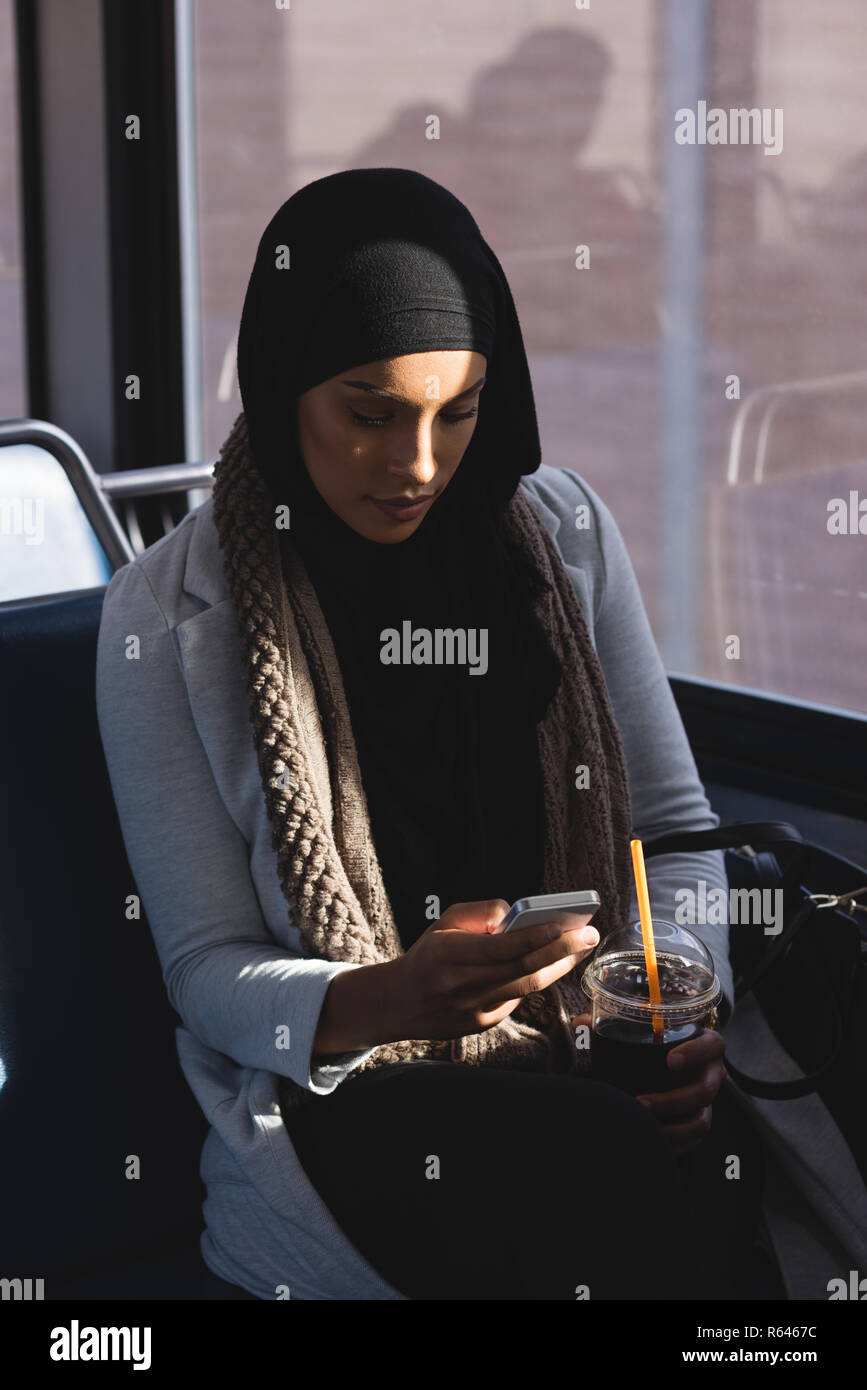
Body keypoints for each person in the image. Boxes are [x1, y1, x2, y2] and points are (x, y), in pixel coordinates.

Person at [95, 167, 758, 1301]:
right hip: (341, 1103)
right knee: (593, 1153)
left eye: (458, 414)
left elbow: (675, 835)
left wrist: (675, 996)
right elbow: (207, 970)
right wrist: (388, 999)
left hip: (588, 1050)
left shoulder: (563, 536)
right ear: (283, 377)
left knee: (645, 1139)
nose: (416, 467)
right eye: (369, 412)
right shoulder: (167, 619)